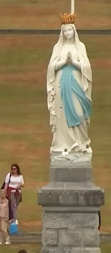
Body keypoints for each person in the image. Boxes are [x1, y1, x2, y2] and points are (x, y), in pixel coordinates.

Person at [47, 19, 92, 155]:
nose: (67, 33)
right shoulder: (58, 47)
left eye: (69, 30)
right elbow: (51, 67)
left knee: (79, 111)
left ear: (74, 31)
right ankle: (65, 143)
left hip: (77, 81)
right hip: (62, 82)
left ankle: (81, 142)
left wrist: (74, 62)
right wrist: (63, 63)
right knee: (63, 113)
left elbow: (87, 67)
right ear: (62, 32)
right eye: (65, 30)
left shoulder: (80, 47)